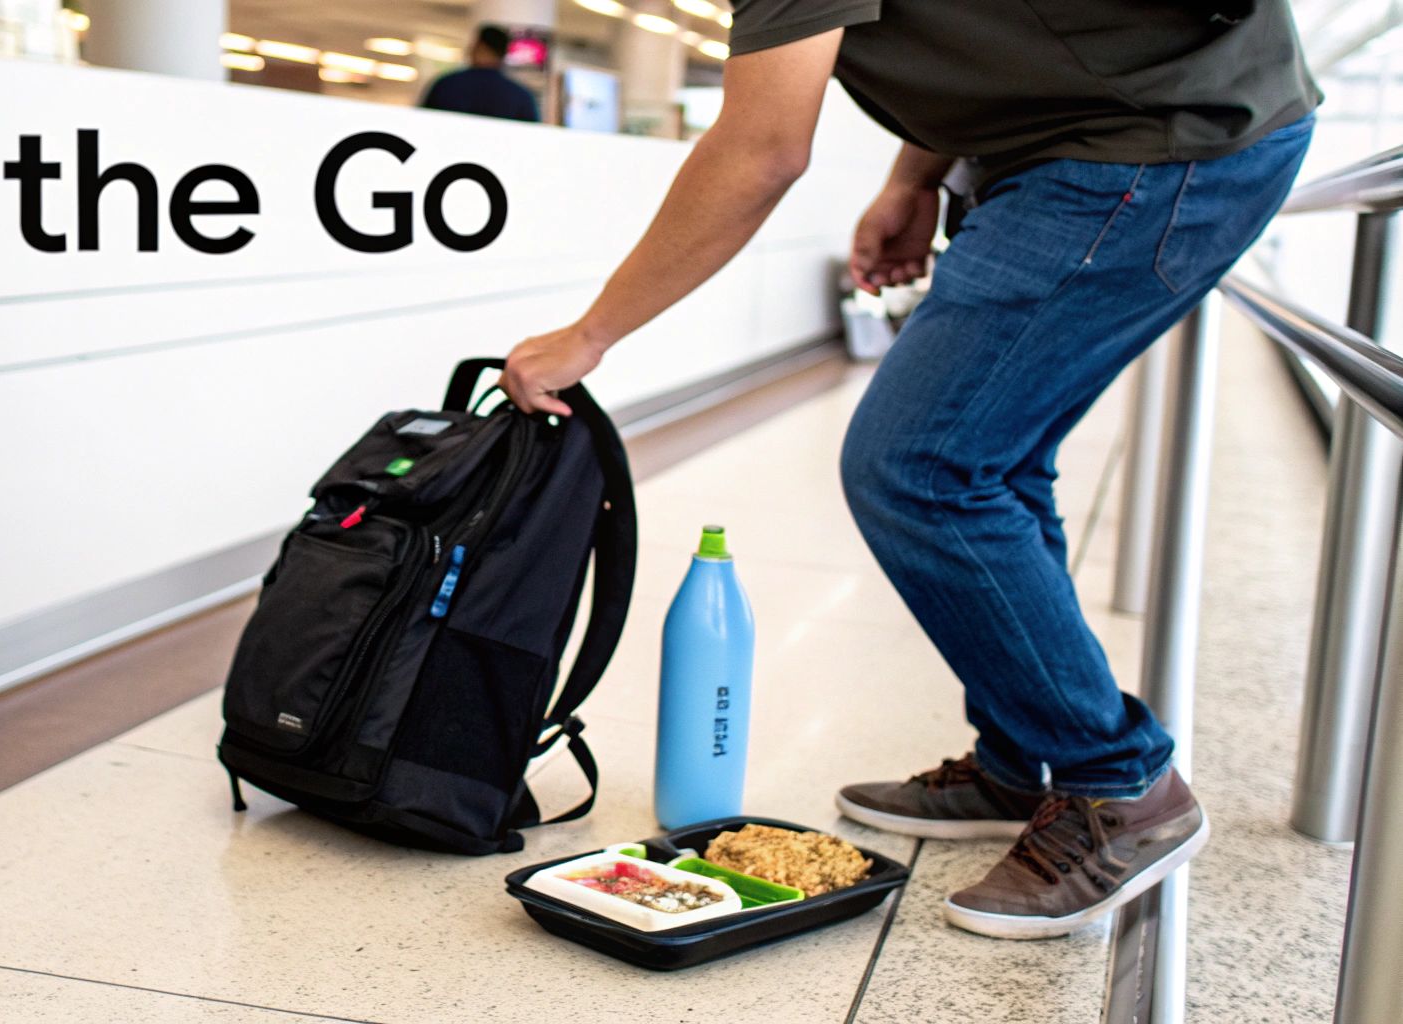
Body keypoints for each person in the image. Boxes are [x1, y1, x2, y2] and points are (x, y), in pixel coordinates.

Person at [498, 0, 1317, 940]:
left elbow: (762, 149)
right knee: (992, 462)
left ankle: (1117, 785)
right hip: (1081, 139)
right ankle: (1023, 758)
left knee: (919, 464)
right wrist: (913, 173)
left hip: (1155, 138)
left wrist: (591, 336)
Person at [420, 25, 540, 123]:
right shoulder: (522, 97)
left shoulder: (446, 84)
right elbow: (529, 139)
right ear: (503, 55)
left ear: (478, 47)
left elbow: (422, 123)